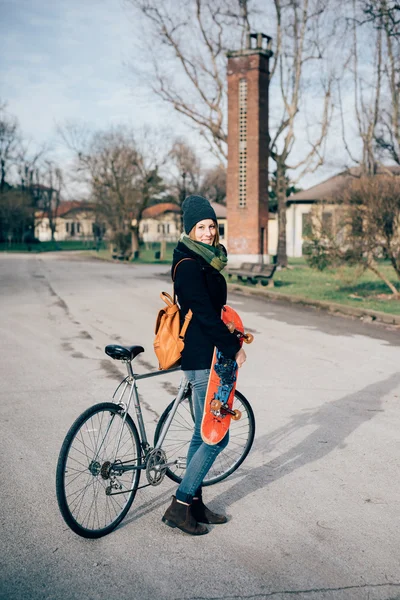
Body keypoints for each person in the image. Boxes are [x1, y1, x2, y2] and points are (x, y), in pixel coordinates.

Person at [162, 195, 246, 535]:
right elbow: (207, 317)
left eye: (212, 226)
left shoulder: (205, 261)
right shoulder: (188, 266)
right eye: (202, 227)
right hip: (203, 358)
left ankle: (194, 504)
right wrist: (233, 347)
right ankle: (180, 505)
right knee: (216, 437)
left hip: (210, 356)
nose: (210, 232)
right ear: (190, 230)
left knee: (202, 434)